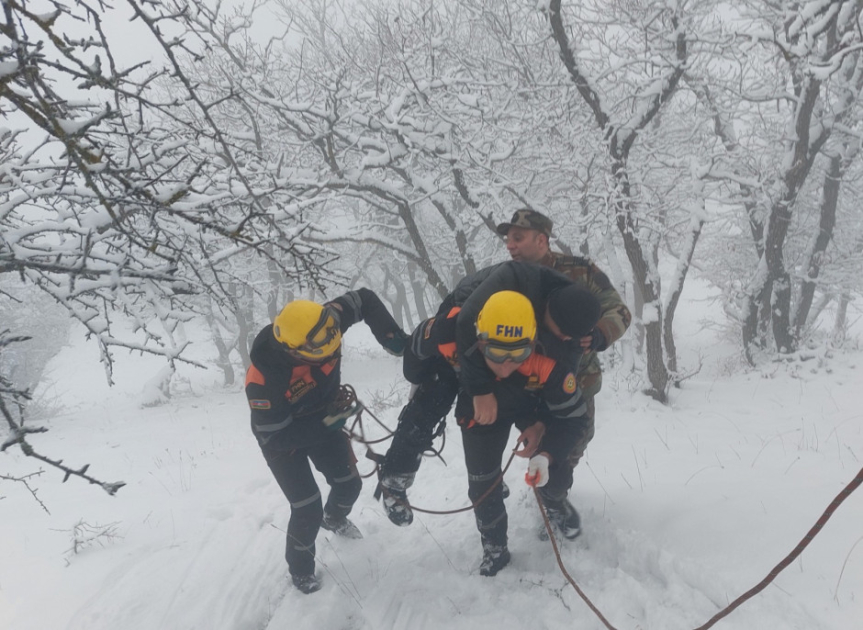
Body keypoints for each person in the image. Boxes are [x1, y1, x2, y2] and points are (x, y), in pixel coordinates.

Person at [383, 289, 600, 576]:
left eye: (519, 353)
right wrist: (418, 378)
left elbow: (574, 419)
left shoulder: (552, 358)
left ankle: (555, 501)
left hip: (531, 404)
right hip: (480, 406)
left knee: (554, 472)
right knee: (482, 484)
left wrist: (546, 452)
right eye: (497, 352)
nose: (507, 364)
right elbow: (416, 348)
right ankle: (495, 548)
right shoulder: (451, 331)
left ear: (534, 341)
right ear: (480, 340)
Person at [245, 290, 408, 594]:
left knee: (349, 484)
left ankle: (333, 519)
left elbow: (364, 300)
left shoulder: (322, 325)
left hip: (324, 417)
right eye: (324, 349)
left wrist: (391, 337)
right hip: (283, 440)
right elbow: (276, 436)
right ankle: (301, 571)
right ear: (295, 351)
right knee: (307, 506)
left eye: (335, 339)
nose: (334, 349)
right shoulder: (263, 380)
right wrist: (332, 421)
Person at [495, 208, 632, 531]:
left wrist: (599, 332)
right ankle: (550, 498)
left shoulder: (579, 271)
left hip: (577, 379)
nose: (510, 246)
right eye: (508, 239)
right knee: (540, 440)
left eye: (518, 238)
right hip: (527, 383)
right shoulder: (506, 278)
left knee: (575, 441)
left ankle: (555, 491)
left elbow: (618, 310)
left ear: (541, 240)